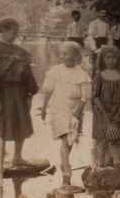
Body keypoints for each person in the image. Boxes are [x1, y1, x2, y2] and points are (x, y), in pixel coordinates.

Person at [0, 17, 39, 188]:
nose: (15, 35)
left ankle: (17, 156)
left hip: (20, 92)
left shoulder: (20, 51)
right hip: (3, 94)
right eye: (12, 32)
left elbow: (29, 75)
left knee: (21, 125)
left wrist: (30, 94)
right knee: (2, 131)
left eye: (16, 32)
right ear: (3, 31)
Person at [41, 42, 91, 187]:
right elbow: (48, 90)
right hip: (59, 109)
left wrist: (78, 112)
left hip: (74, 111)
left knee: (69, 139)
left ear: (76, 56)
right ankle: (66, 170)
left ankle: (64, 163)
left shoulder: (81, 74)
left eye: (66, 53)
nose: (62, 56)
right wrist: (44, 107)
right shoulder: (55, 70)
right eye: (61, 53)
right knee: (64, 139)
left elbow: (84, 96)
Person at [91, 45, 120, 171]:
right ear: (102, 59)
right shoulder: (99, 75)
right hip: (101, 111)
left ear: (118, 59)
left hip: (118, 110)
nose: (111, 60)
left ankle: (117, 167)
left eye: (114, 57)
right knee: (102, 140)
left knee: (114, 139)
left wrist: (119, 112)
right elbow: (95, 97)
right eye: (108, 57)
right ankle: (100, 166)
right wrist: (104, 112)